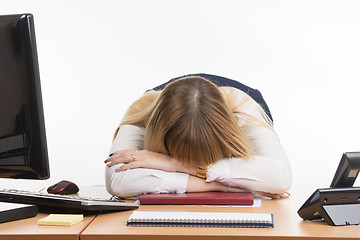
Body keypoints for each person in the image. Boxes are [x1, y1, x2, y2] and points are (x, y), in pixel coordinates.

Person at [104, 75, 292, 199]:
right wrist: (226, 187)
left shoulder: (243, 107)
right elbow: (117, 183)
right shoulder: (142, 112)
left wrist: (173, 164)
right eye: (176, 155)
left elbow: (281, 178)